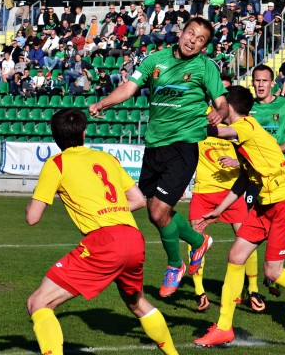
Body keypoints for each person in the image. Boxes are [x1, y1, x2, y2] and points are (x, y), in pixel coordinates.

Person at [21, 108, 188, 355]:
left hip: (104, 242)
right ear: (84, 133)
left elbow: (32, 218)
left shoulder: (56, 164)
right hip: (133, 237)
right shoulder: (105, 158)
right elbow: (136, 199)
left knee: (38, 303)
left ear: (54, 136)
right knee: (137, 303)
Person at [193, 86, 285, 347]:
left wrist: (188, 124)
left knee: (273, 272)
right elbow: (243, 179)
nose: (216, 108)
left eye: (220, 104)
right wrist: (219, 209)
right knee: (236, 255)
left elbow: (219, 131)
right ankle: (224, 327)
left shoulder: (247, 126)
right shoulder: (243, 139)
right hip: (265, 205)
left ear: (229, 107)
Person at [88, 16, 227, 298]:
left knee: (157, 211)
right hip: (154, 146)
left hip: (183, 146)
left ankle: (175, 264)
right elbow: (130, 87)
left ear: (204, 46)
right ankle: (198, 241)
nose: (193, 41)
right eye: (191, 34)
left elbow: (222, 103)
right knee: (155, 214)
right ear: (181, 32)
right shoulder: (155, 60)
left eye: (201, 39)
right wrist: (104, 102)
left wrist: (219, 113)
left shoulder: (205, 67)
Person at [187, 132, 261, 313]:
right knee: (196, 240)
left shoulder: (236, 126)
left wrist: (237, 162)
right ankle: (200, 293)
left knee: (248, 239)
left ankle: (253, 290)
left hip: (232, 193)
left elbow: (253, 154)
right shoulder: (200, 119)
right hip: (202, 192)